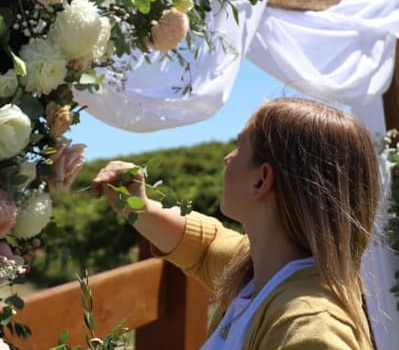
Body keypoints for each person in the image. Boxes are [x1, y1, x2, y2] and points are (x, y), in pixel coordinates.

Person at [92, 97, 379, 349]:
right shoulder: (261, 269)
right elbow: (205, 247)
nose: (226, 158)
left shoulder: (312, 329)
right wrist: (137, 207)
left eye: (239, 147)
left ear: (261, 180)